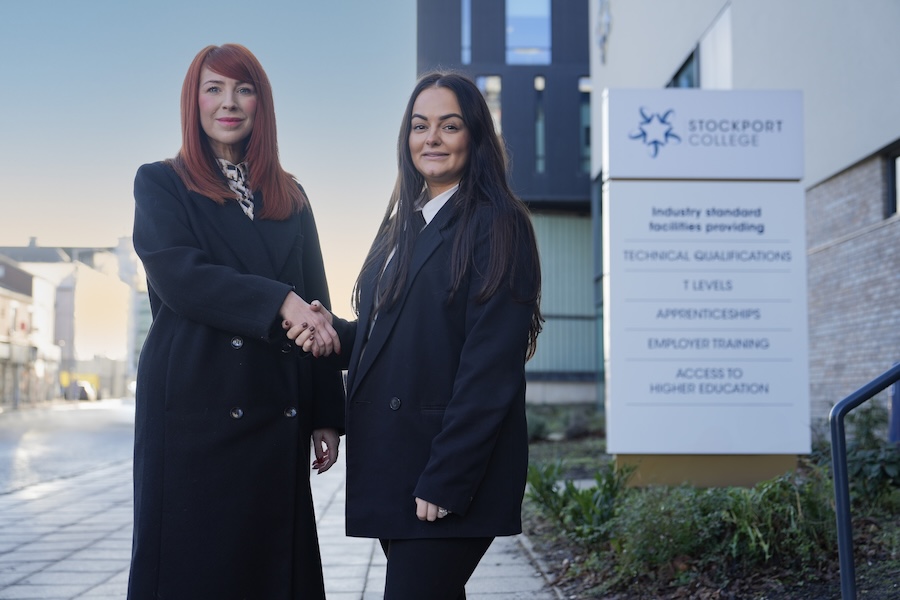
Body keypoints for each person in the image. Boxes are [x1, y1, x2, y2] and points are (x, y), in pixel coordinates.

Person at [289, 71, 543, 600]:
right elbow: (396, 340)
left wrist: (447, 477)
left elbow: (490, 369)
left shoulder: (498, 224)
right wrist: (328, 328)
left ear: (474, 135)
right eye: (419, 125)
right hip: (397, 464)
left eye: (449, 126)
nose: (431, 138)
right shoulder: (403, 227)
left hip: (444, 473)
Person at [128, 44, 344, 600]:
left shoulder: (290, 196)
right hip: (193, 403)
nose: (229, 103)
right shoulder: (161, 182)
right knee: (192, 568)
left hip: (274, 401)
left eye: (243, 89)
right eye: (214, 89)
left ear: (261, 104)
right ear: (193, 101)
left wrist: (325, 412)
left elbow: (316, 303)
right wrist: (278, 301)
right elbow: (182, 277)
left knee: (270, 570)